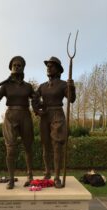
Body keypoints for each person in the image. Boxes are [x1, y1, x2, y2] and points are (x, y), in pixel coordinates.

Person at [0, 56, 35, 189]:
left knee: (28, 147)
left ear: (23, 68)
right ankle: (11, 179)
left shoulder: (28, 86)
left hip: (25, 115)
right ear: (11, 68)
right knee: (10, 149)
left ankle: (30, 175)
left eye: (19, 65)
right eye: (14, 65)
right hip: (10, 117)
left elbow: (36, 99)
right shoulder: (5, 86)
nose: (16, 66)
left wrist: (41, 105)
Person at [35, 56, 76, 188]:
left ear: (58, 70)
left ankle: (57, 177)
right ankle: (47, 173)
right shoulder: (42, 86)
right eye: (47, 66)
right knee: (46, 147)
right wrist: (37, 110)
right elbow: (34, 99)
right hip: (45, 116)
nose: (48, 67)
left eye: (51, 66)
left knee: (57, 146)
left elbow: (71, 99)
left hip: (57, 115)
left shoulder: (64, 84)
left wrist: (72, 88)